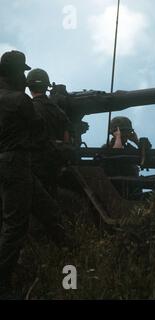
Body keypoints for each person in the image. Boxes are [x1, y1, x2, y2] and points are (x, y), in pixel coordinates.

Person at [0, 51, 69, 297]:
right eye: (21, 71)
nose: (24, 76)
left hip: (11, 163)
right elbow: (39, 132)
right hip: (17, 161)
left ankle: (71, 252)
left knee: (48, 211)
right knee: (15, 225)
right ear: (14, 73)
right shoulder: (19, 100)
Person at [27, 68, 70, 197]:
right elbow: (66, 137)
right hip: (54, 165)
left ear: (29, 87)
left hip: (33, 166)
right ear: (47, 87)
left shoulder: (28, 108)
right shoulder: (59, 112)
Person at [102, 116, 140, 198]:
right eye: (124, 132)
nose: (126, 135)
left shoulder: (129, 148)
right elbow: (116, 151)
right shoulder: (106, 147)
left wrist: (136, 141)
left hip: (131, 189)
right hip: (114, 189)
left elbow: (145, 157)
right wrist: (118, 137)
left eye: (128, 132)